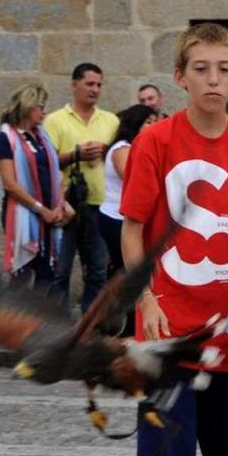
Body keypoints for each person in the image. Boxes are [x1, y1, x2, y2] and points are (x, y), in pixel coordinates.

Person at [120, 22, 228, 456]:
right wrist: (145, 298)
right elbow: (131, 231)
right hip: (166, 335)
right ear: (180, 76)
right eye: (202, 68)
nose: (213, 79)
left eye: (223, 69)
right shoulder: (154, 142)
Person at [44, 63, 118, 313]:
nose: (95, 89)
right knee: (60, 269)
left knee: (98, 269)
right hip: (65, 204)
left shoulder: (111, 120)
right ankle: (59, 327)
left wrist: (106, 151)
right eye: (89, 84)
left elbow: (122, 156)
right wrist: (76, 154)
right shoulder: (54, 120)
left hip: (101, 204)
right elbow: (46, 160)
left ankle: (89, 327)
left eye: (99, 84)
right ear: (74, 85)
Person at [0, 84, 71, 291]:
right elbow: (10, 183)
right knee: (24, 270)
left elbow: (57, 173)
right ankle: (16, 319)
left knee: (47, 272)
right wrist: (41, 209)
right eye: (40, 106)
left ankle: (38, 321)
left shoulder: (43, 137)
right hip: (24, 212)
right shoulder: (6, 138)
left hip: (49, 212)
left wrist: (58, 205)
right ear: (27, 107)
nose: (44, 112)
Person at [98, 104, 159, 336]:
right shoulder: (123, 148)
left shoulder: (133, 147)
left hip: (119, 216)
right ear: (135, 124)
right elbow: (134, 178)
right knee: (126, 271)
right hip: (116, 218)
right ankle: (120, 324)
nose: (153, 126)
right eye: (148, 122)